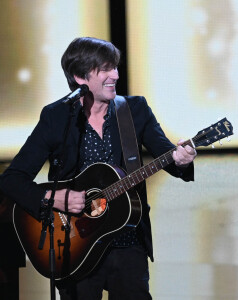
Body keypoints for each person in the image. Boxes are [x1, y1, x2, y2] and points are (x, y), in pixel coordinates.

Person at [0, 37, 196, 299]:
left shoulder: (135, 109)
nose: (115, 74)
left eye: (114, 67)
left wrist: (183, 160)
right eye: (104, 69)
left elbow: (166, 155)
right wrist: (53, 198)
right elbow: (12, 179)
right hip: (74, 243)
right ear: (79, 76)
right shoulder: (56, 117)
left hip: (126, 239)